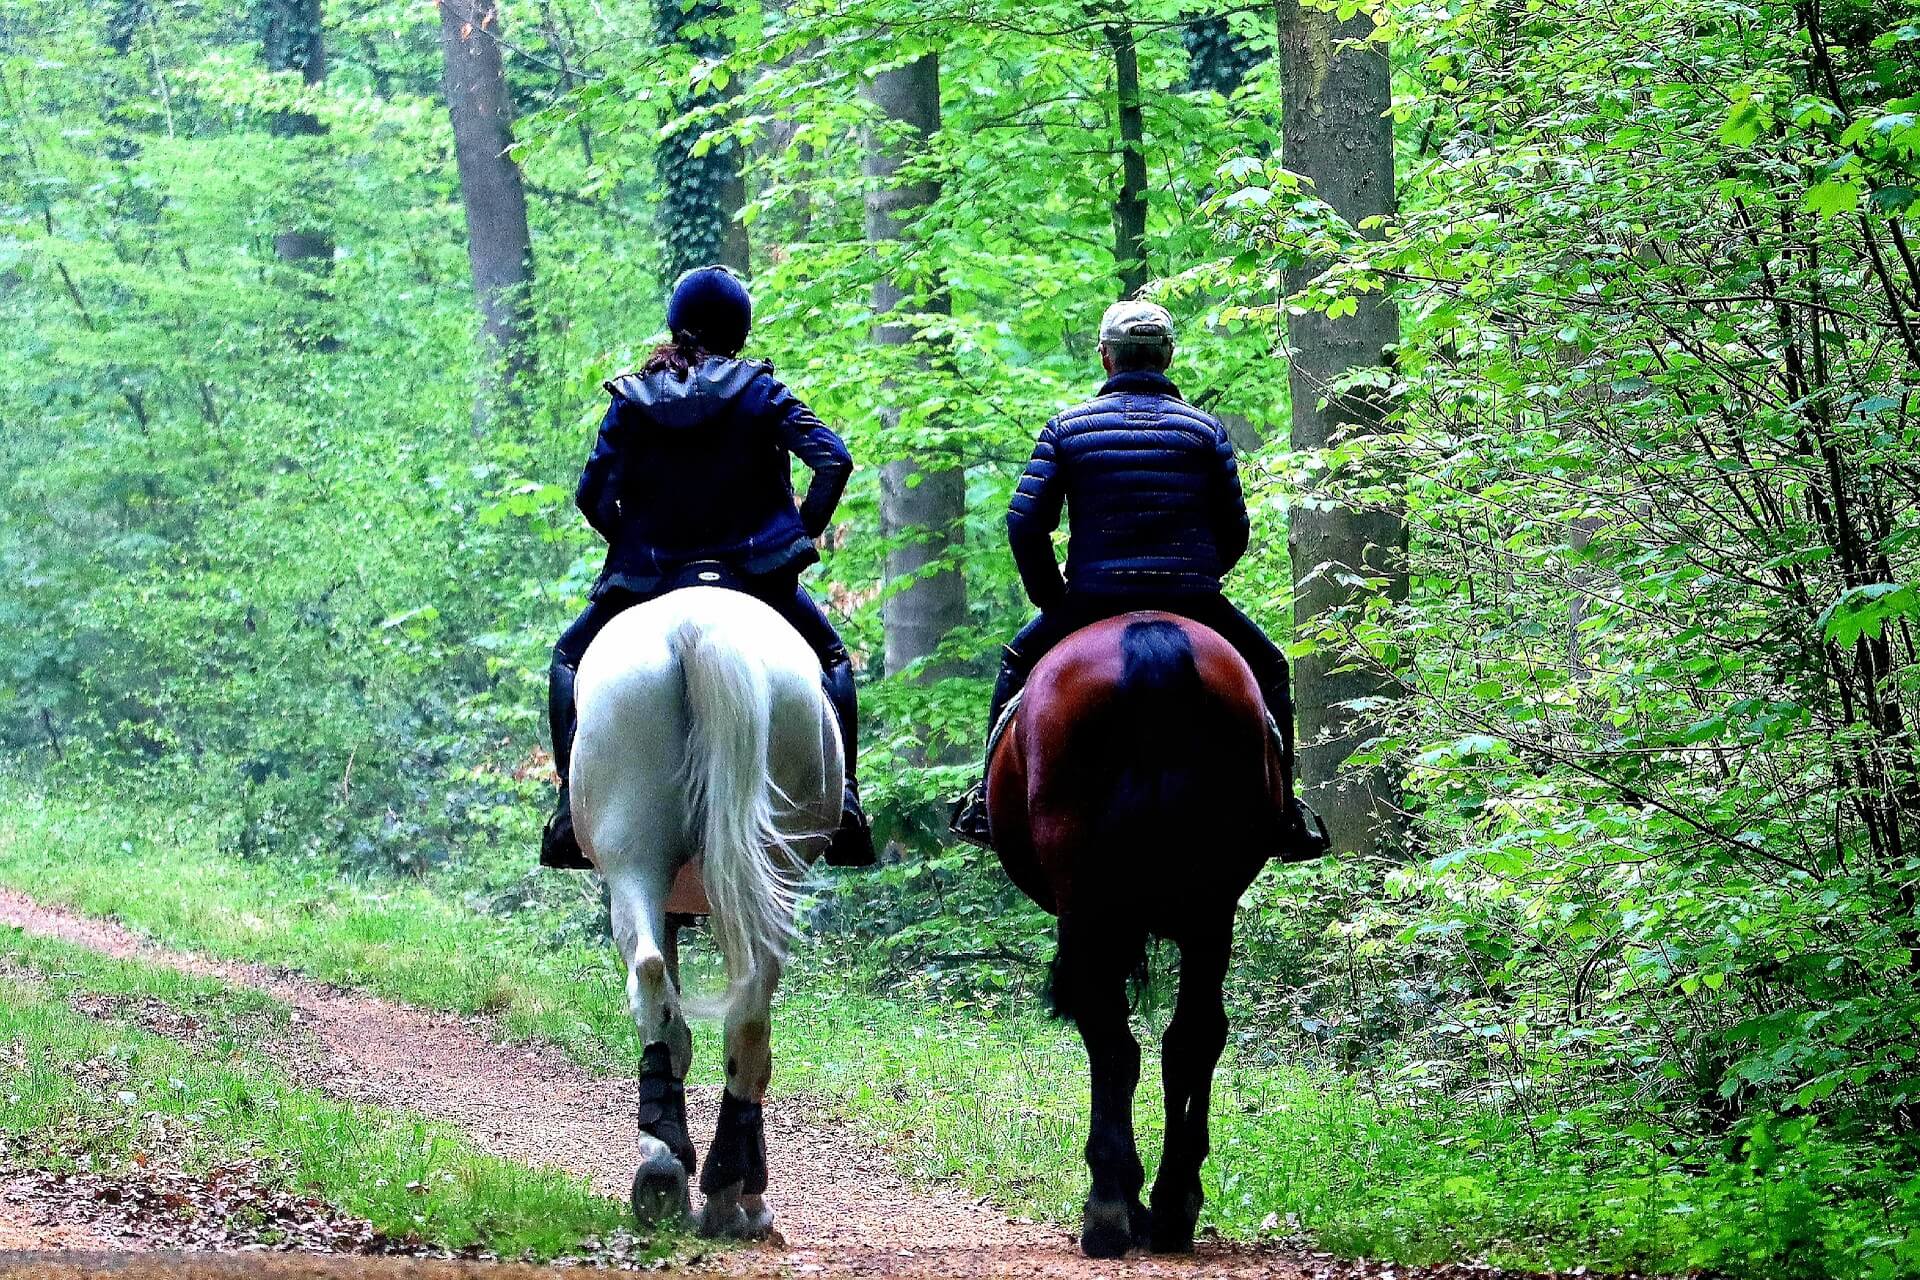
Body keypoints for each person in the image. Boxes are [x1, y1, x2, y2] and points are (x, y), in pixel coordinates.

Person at [542, 265, 874, 871]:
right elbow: (834, 459)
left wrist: (632, 541)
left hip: (651, 576)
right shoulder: (761, 393)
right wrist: (800, 533)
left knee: (567, 659)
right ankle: (846, 803)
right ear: (739, 332)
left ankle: (570, 808)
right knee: (830, 660)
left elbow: (591, 496)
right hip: (755, 576)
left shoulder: (633, 400)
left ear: (677, 324)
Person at [950, 299, 1302, 848]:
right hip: (1193, 600)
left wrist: (1054, 601)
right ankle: (1286, 815)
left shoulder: (1066, 430)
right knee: (1272, 670)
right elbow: (1235, 529)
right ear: (1167, 356)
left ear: (1105, 358)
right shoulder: (1205, 431)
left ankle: (983, 806)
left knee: (1017, 661)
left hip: (1093, 598)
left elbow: (1024, 525)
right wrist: (1200, 579)